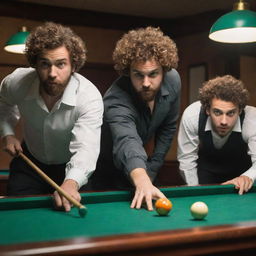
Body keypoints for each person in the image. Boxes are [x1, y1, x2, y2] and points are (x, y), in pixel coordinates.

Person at [0, 22, 103, 211]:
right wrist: (7, 133)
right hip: (29, 163)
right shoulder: (17, 82)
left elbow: (86, 149)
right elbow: (3, 105)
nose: (52, 73)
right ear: (35, 64)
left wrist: (71, 183)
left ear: (73, 65)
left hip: (71, 167)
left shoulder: (89, 97)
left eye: (61, 64)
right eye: (44, 64)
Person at [92, 26, 181, 211]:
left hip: (142, 168)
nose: (146, 83)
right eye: (138, 75)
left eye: (153, 74)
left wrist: (151, 171)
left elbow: (168, 128)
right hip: (105, 172)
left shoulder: (173, 81)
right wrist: (142, 178)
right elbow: (127, 141)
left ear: (164, 70)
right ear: (127, 71)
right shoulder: (115, 98)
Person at [177, 75, 256, 194]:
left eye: (231, 113)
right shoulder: (192, 116)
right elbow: (186, 159)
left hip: (241, 173)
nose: (224, 121)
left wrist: (247, 176)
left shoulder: (252, 120)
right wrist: (194, 191)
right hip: (206, 172)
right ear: (207, 110)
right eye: (217, 112)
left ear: (239, 111)